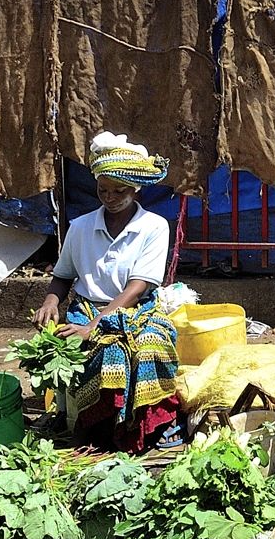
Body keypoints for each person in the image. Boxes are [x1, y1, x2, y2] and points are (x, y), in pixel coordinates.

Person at [36, 134, 183, 452]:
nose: (111, 197)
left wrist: (95, 326)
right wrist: (50, 302)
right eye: (104, 190)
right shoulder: (81, 227)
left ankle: (153, 426)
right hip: (87, 308)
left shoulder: (154, 227)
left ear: (136, 189)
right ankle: (92, 427)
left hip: (137, 309)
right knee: (106, 354)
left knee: (150, 346)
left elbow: (138, 287)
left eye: (120, 191)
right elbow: (62, 276)